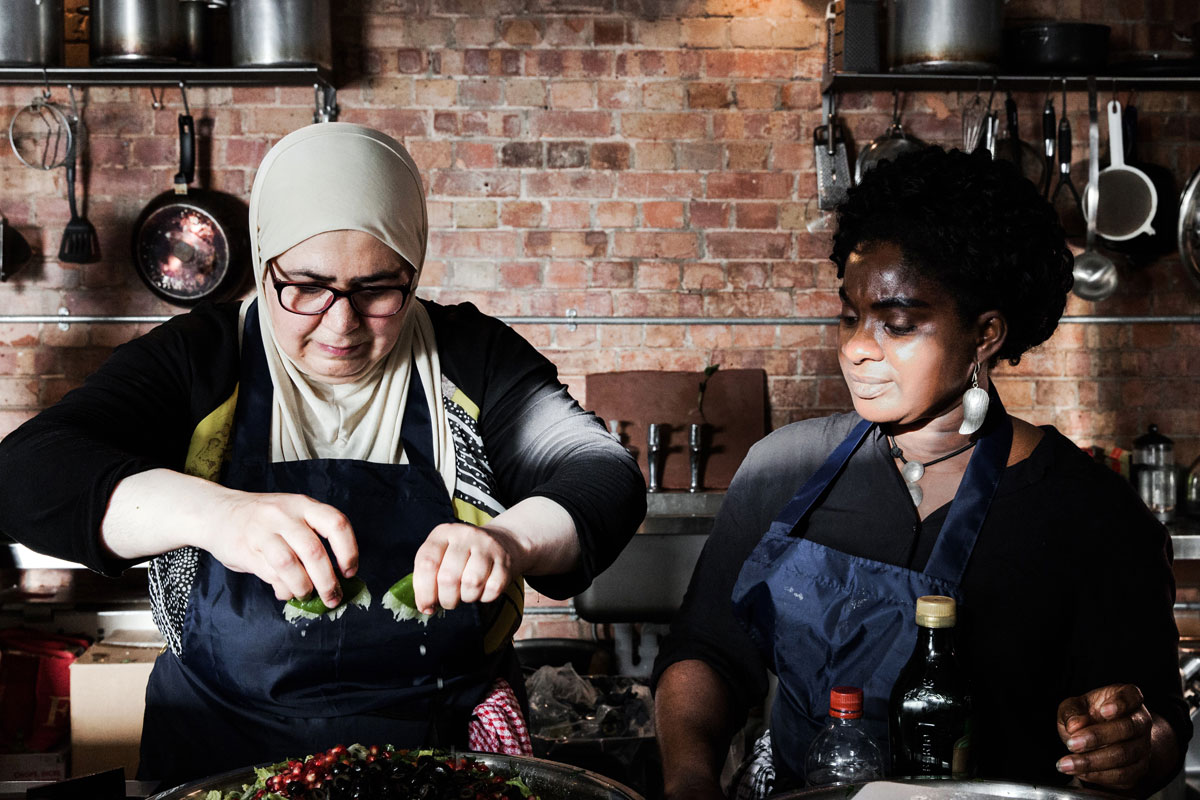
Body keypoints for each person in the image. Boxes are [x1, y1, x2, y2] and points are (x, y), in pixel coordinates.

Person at [0, 123, 645, 788]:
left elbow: (602, 474)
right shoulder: (200, 360)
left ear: (414, 268)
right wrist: (215, 515)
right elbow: (24, 475)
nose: (341, 322)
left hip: (443, 763)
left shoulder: (470, 360)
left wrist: (509, 540)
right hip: (219, 758)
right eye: (306, 286)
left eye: (378, 288)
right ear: (263, 260)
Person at [652, 147, 1190, 799]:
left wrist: (1131, 743)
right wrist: (688, 781)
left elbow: (1157, 725)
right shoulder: (781, 470)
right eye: (850, 315)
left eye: (898, 323)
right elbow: (707, 652)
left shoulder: (1092, 515)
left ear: (986, 333)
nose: (856, 346)